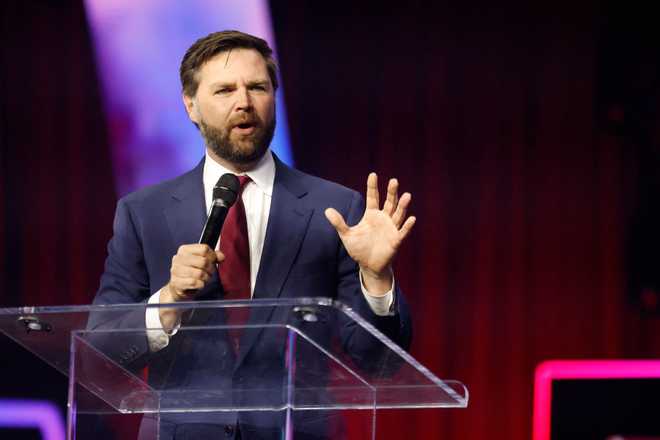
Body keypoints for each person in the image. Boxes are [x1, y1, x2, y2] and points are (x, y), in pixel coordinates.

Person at [92, 30, 415, 440]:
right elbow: (98, 357)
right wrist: (168, 301)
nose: (244, 102)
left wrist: (377, 280)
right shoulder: (142, 214)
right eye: (225, 90)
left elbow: (379, 362)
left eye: (257, 87)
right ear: (190, 105)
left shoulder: (336, 211)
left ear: (273, 97)